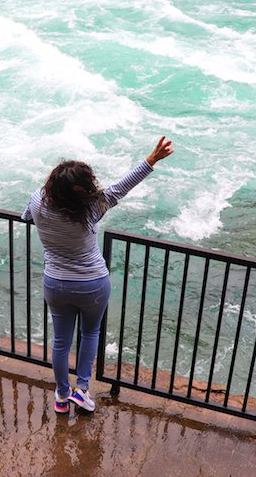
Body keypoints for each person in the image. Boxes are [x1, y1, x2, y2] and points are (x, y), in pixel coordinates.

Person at [21, 135, 174, 414]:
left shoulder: (37, 200)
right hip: (92, 284)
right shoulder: (91, 209)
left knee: (60, 341)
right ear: (83, 191)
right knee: (90, 333)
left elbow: (25, 216)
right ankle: (82, 390)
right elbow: (120, 188)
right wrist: (151, 160)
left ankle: (61, 396)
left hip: (55, 283)